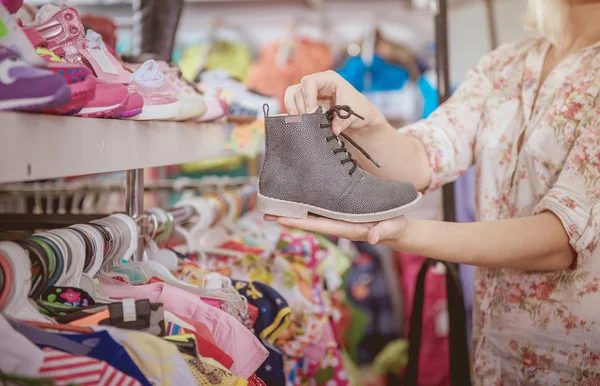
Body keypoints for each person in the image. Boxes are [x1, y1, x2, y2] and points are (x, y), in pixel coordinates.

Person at [266, 0, 600, 384]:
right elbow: (427, 155)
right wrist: (366, 119)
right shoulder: (506, 65)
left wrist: (406, 233)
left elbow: (561, 240)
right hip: (495, 361)